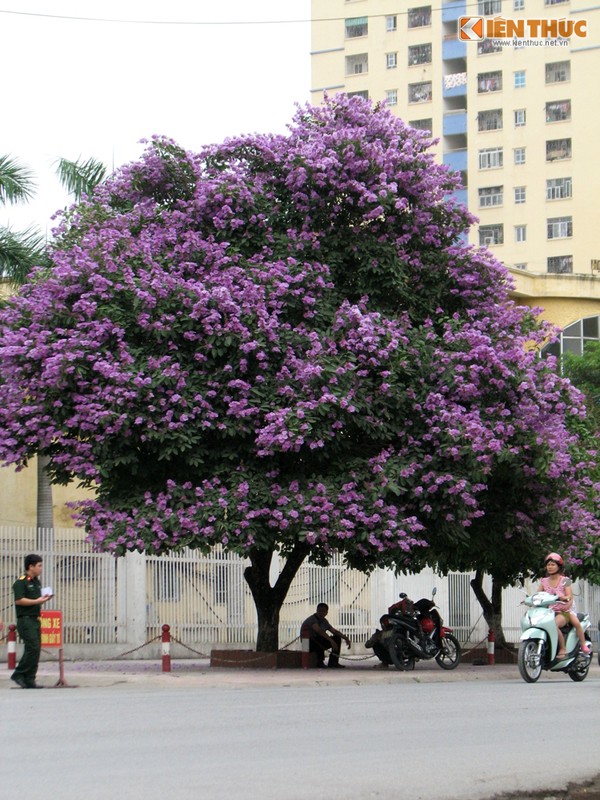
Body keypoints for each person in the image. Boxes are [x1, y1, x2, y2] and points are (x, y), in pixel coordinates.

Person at [11, 554, 53, 689]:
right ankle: (19, 674)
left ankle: (29, 678)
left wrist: (44, 598)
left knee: (35, 649)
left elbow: (37, 598)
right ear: (31, 566)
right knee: (33, 647)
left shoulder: (36, 582)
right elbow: (19, 600)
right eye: (39, 566)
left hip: (35, 619)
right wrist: (36, 601)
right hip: (25, 620)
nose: (41, 568)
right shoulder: (20, 582)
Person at [538, 552, 591, 658]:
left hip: (563, 611)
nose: (550, 567)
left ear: (559, 566)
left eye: (553, 565)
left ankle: (569, 647)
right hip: (548, 612)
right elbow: (538, 594)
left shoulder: (564, 581)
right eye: (548, 565)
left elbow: (569, 596)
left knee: (563, 624)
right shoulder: (544, 581)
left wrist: (565, 598)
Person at [301, 603, 351, 668]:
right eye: (319, 611)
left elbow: (334, 631)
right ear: (316, 610)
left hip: (317, 641)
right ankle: (320, 662)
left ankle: (334, 662)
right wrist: (331, 641)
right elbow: (319, 631)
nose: (321, 613)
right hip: (307, 643)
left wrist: (345, 638)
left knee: (337, 638)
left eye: (323, 611)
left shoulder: (324, 621)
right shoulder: (312, 619)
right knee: (320, 638)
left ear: (327, 612)